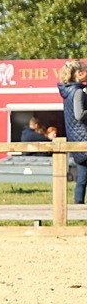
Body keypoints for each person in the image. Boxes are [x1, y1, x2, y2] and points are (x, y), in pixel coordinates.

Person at [57, 59, 87, 204]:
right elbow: (79, 114)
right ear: (80, 74)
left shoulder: (68, 91)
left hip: (76, 137)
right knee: (82, 177)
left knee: (82, 178)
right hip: (84, 137)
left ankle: (78, 206)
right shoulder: (78, 92)